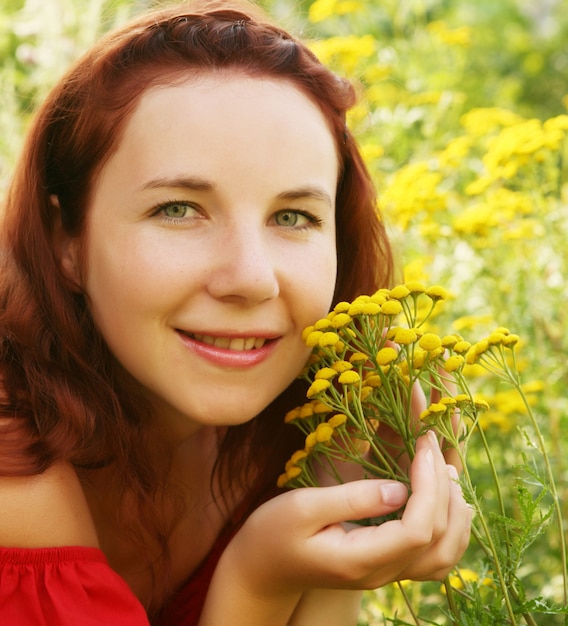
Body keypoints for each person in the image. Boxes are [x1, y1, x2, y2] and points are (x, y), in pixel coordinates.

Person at [0, 1, 472, 624]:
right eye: (178, 209)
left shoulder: (304, 431)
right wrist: (260, 579)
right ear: (67, 241)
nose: (251, 279)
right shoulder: (16, 479)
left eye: (293, 217)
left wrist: (343, 509)